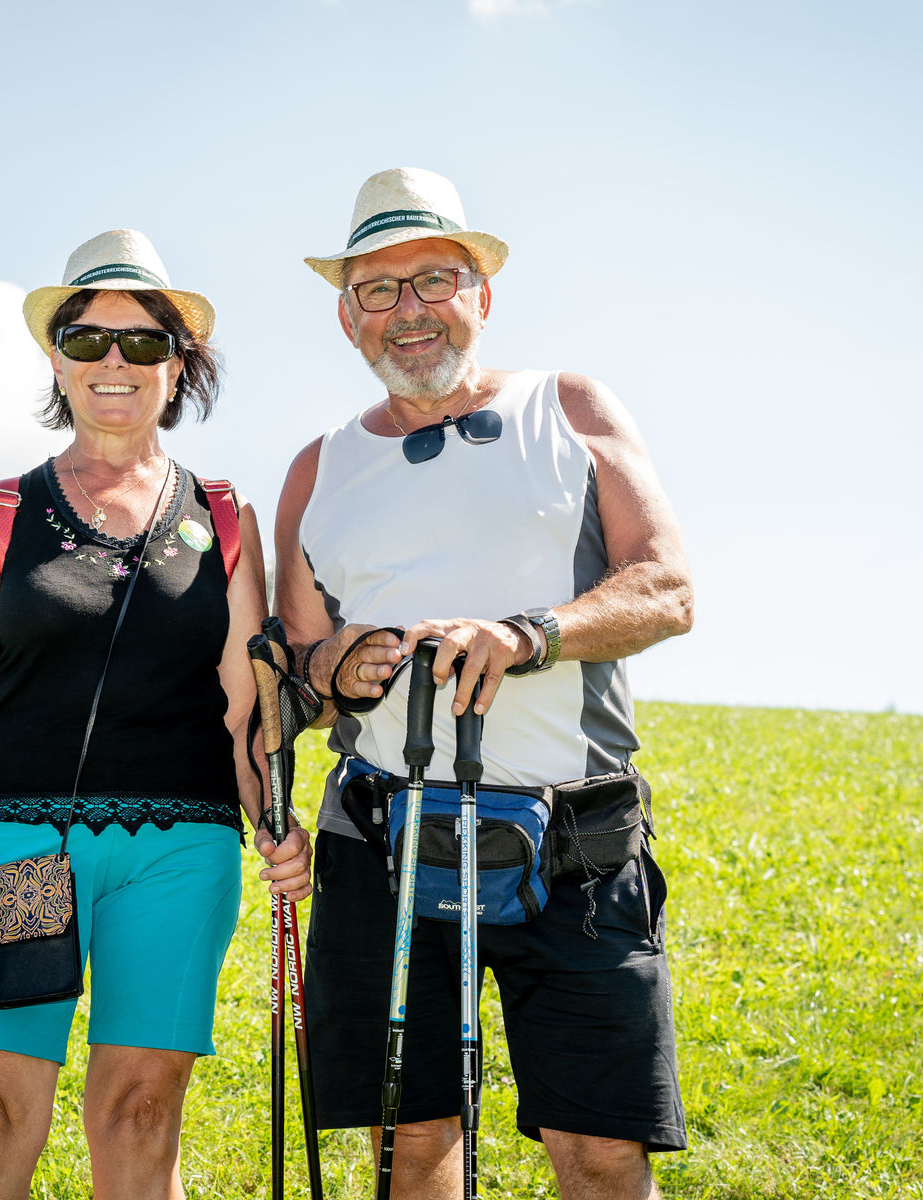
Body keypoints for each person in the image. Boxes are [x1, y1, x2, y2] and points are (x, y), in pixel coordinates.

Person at [274, 168, 696, 1199]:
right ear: (346, 318)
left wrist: (530, 635)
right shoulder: (315, 469)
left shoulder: (569, 406)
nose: (408, 311)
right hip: (383, 847)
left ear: (482, 296)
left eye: (434, 280)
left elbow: (669, 587)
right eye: (379, 289)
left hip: (576, 846)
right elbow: (292, 668)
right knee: (410, 1147)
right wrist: (334, 665)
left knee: (600, 1151)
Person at [0, 229, 311, 1200]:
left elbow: (248, 710)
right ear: (57, 360)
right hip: (22, 849)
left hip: (179, 849)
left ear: (178, 365)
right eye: (89, 341)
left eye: (144, 343)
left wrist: (277, 822)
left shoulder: (224, 514)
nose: (115, 363)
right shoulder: (2, 511)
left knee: (142, 1114)